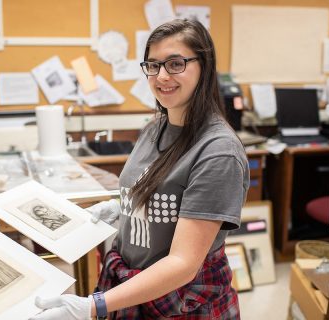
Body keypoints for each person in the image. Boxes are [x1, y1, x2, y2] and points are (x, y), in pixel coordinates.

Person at [31, 18, 249, 319]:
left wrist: (94, 306)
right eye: (153, 65)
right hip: (134, 290)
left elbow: (183, 263)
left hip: (181, 301)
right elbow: (161, 193)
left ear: (205, 66)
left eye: (175, 64)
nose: (161, 76)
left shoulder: (218, 152)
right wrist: (123, 208)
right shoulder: (154, 128)